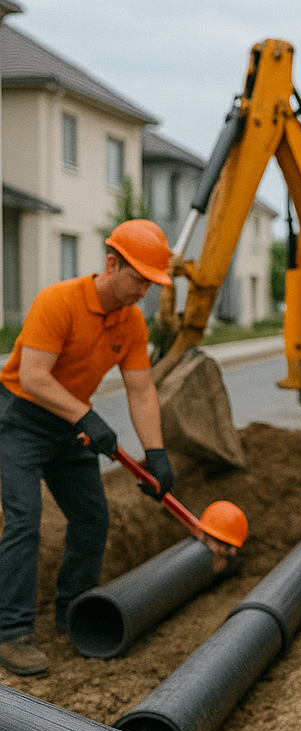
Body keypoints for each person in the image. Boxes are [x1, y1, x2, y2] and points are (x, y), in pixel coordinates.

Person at [0, 219, 176, 677]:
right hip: (19, 416)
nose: (145, 291)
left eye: (152, 283)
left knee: (92, 516)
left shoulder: (132, 322)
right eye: (140, 280)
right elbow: (35, 377)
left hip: (67, 423)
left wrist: (155, 452)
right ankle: (11, 632)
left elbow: (140, 390)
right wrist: (86, 416)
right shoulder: (58, 301)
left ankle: (72, 610)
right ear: (112, 264)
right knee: (24, 518)